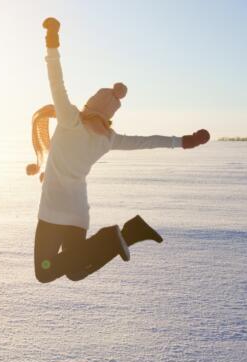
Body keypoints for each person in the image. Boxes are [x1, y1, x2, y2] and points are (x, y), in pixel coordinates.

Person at [28, 17, 210, 283]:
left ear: (90, 104)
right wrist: (183, 141)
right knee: (76, 269)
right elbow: (147, 141)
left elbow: (56, 81)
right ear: (109, 116)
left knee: (45, 272)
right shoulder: (108, 139)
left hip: (51, 212)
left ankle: (110, 238)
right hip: (77, 215)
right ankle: (128, 234)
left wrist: (52, 40)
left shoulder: (70, 120)